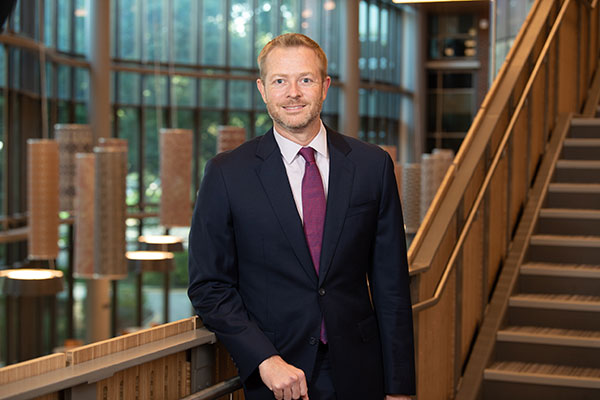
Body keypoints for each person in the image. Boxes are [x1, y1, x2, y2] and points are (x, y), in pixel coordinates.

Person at [188, 33, 415, 400]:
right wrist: (263, 359)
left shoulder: (372, 165)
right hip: (277, 377)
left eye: (305, 79)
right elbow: (209, 286)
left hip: (360, 373)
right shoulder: (227, 173)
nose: (293, 92)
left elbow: (392, 285)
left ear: (324, 86)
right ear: (263, 89)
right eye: (280, 81)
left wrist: (400, 387)